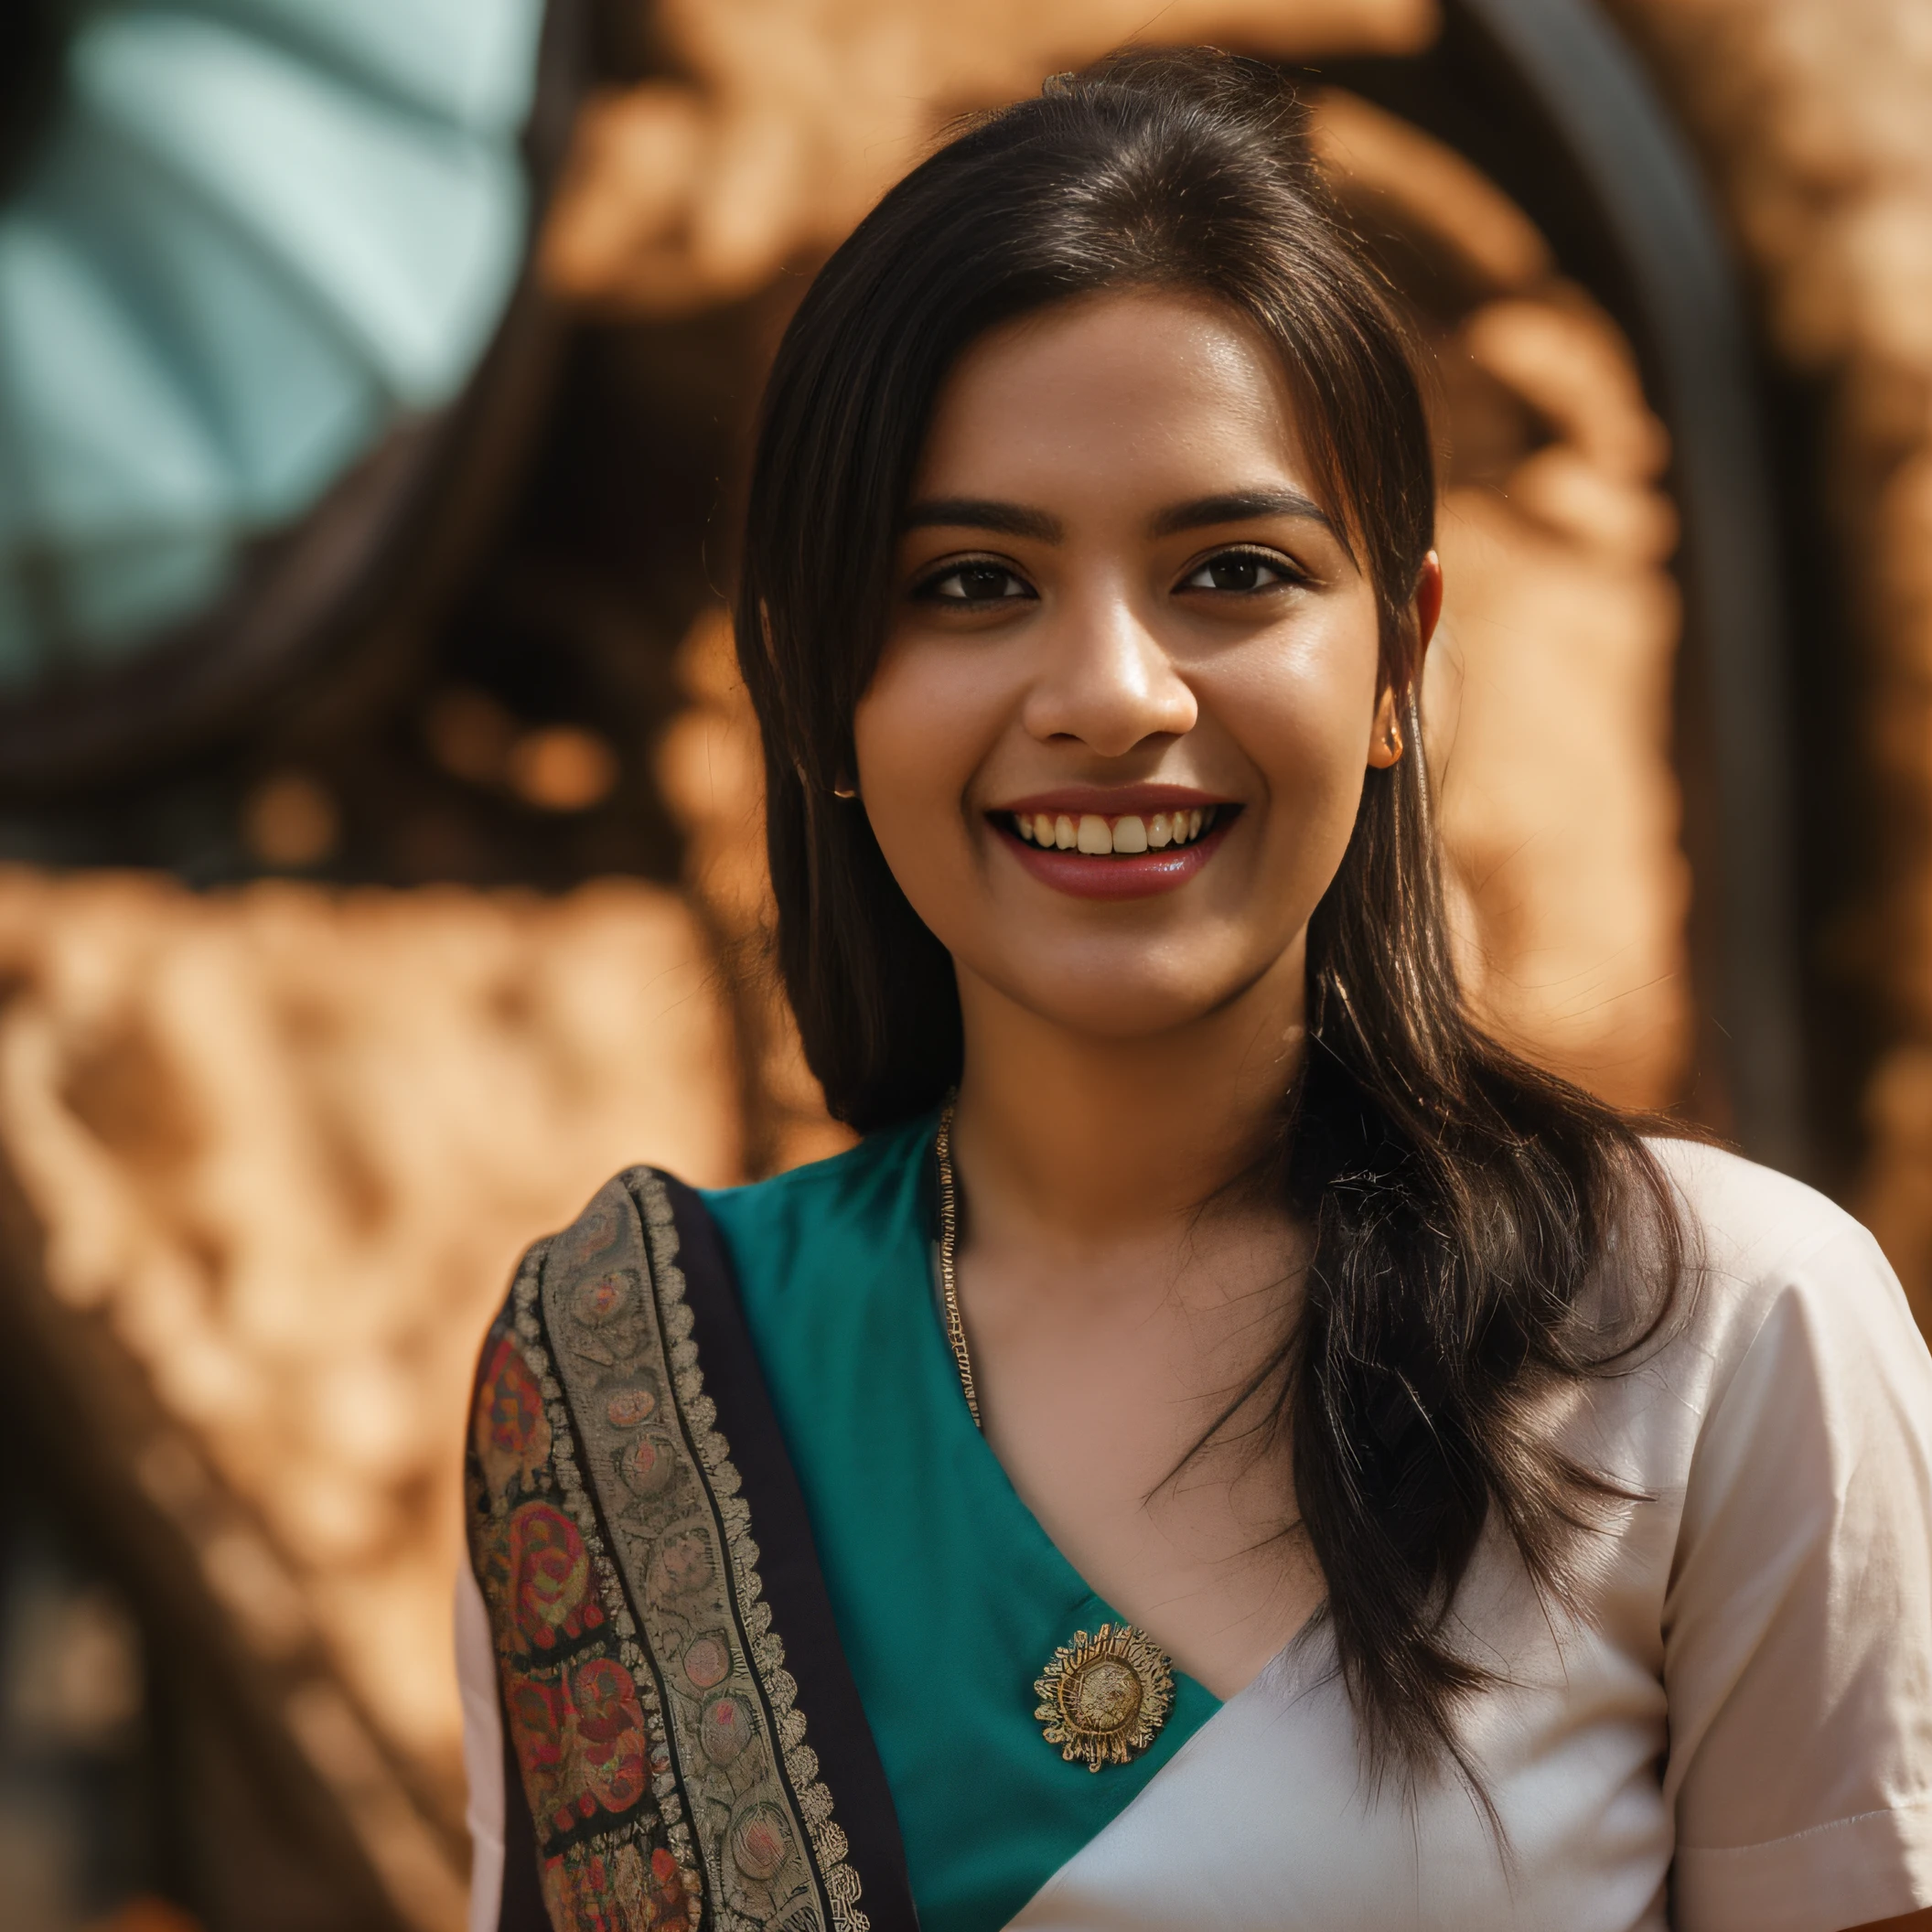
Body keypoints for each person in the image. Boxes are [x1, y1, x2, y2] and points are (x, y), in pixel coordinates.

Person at [455, 48, 1932, 1932]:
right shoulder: (630, 1382)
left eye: (1231, 571)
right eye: (975, 585)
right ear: (822, 684)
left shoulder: (1716, 1340)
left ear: (1398, 657)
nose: (1114, 694)